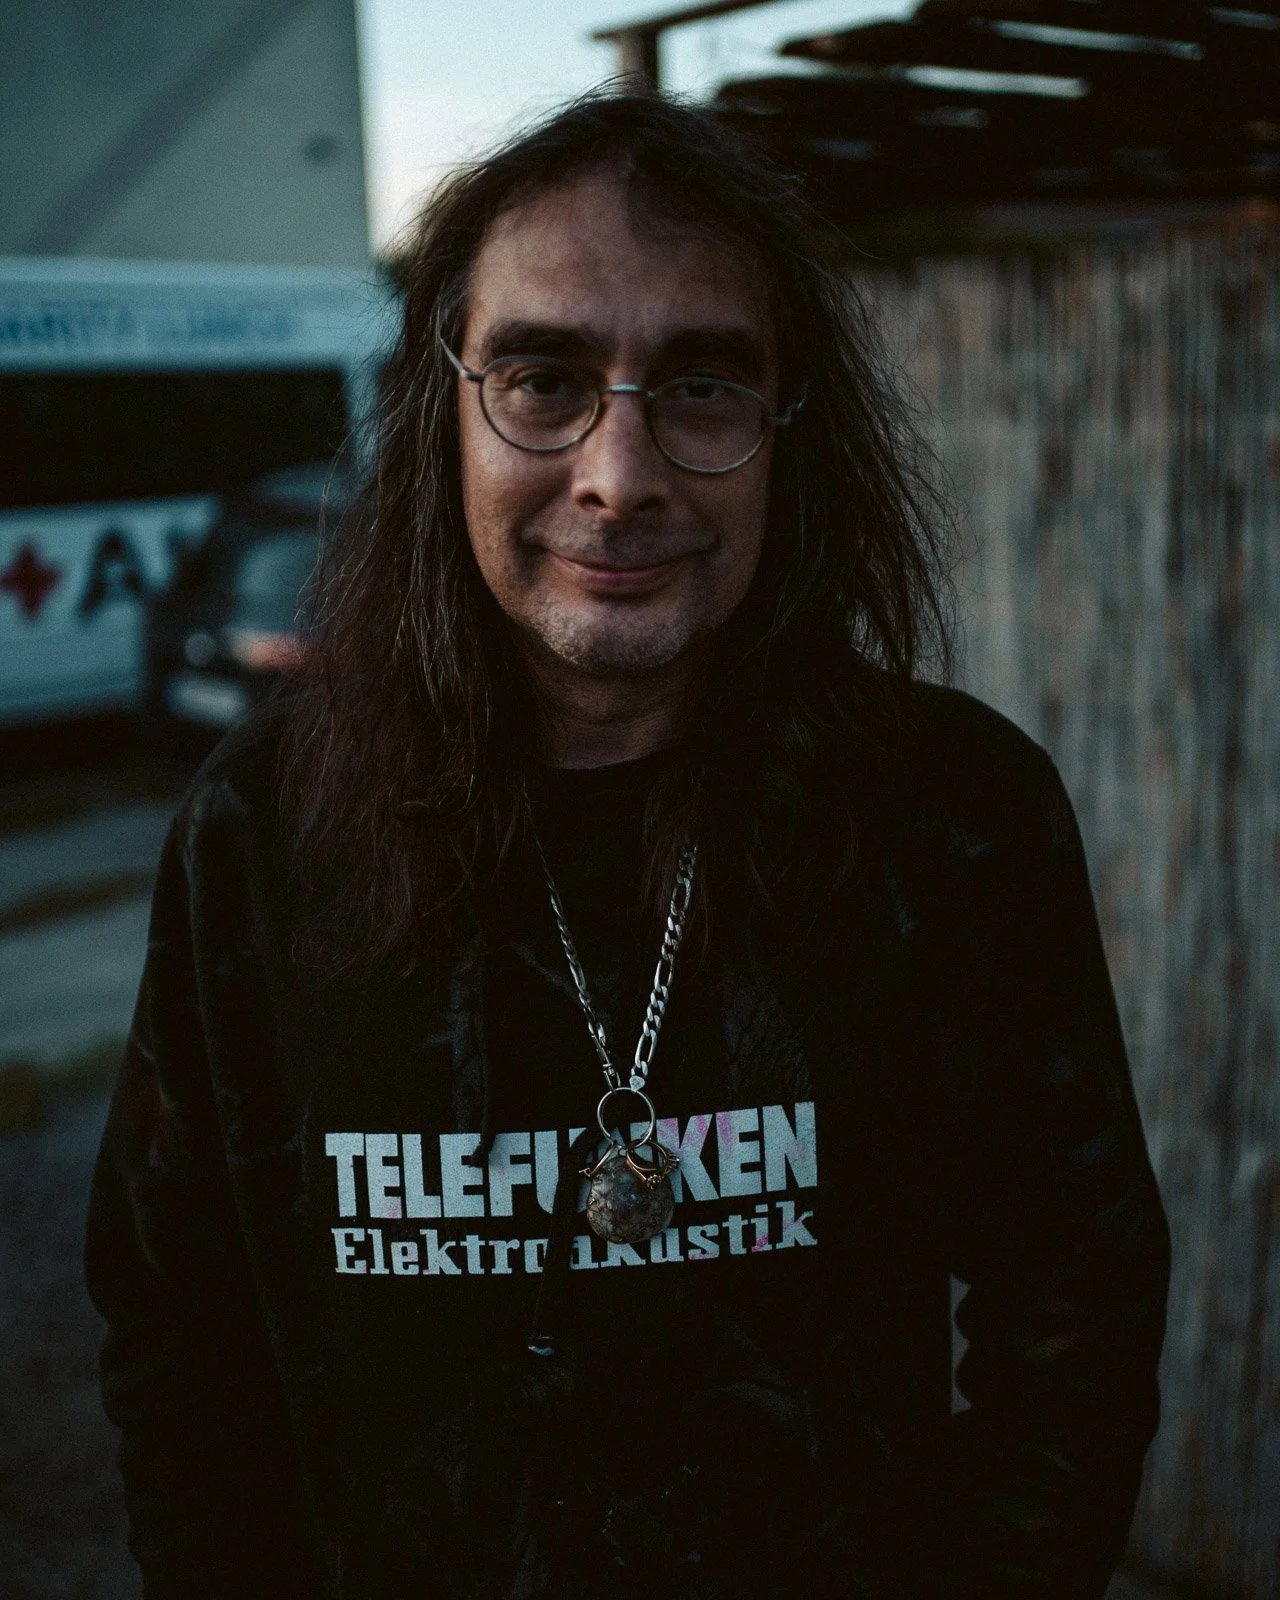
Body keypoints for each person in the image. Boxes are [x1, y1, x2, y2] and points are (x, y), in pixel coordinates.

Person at [86, 93, 1170, 1599]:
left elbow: (1080, 1318)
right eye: (541, 378)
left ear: (792, 427)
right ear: (443, 411)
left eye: (704, 388)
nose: (619, 471)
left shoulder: (954, 820)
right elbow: (175, 1338)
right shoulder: (263, 835)